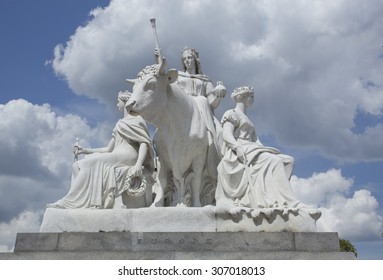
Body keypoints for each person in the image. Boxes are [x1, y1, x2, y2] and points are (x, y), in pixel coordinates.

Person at [215, 86, 315, 217]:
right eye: (251, 97)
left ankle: (279, 199)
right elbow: (227, 135)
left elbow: (256, 141)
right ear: (243, 98)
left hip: (253, 148)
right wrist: (237, 147)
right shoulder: (231, 113)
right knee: (274, 161)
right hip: (240, 149)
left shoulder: (248, 118)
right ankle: (291, 202)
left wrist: (267, 150)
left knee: (288, 161)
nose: (253, 100)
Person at [47, 91, 154, 209]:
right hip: (117, 154)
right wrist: (85, 150)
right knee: (78, 165)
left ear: (125, 102)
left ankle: (68, 202)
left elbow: (144, 142)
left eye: (118, 101)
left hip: (129, 155)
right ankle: (78, 202)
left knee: (92, 162)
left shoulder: (137, 120)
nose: (117, 104)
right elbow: (108, 149)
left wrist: (138, 164)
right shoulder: (119, 123)